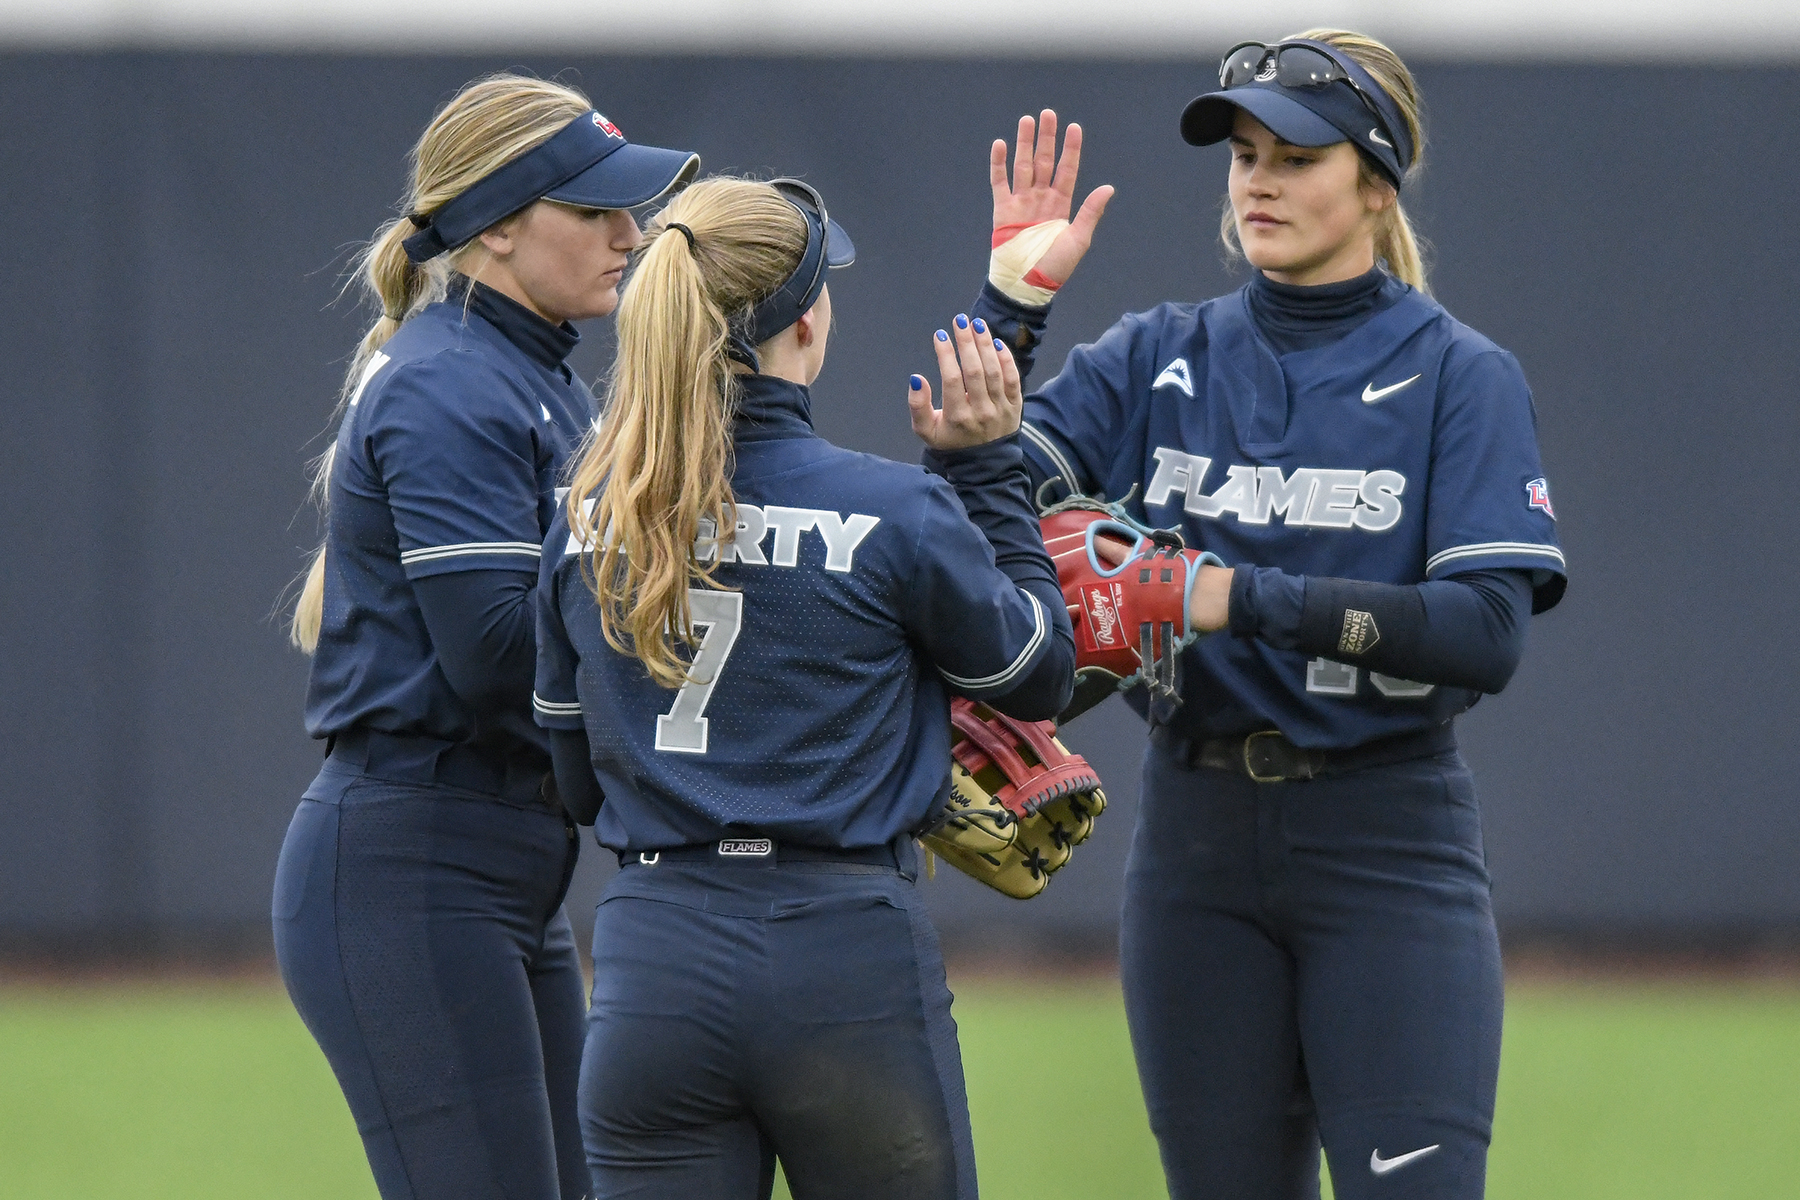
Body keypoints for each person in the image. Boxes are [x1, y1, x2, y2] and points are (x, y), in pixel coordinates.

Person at [981, 31, 1568, 1200]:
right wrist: (1005, 315)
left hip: (1388, 840)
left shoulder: (1460, 374)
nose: (1259, 179)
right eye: (1244, 153)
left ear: (1375, 175)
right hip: (1196, 845)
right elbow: (964, 487)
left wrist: (1234, 598)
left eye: (1297, 153)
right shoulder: (1159, 356)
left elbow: (1484, 632)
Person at [531, 174, 1079, 1199]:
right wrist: (992, 468)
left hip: (656, 957)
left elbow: (576, 779)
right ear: (806, 323)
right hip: (843, 953)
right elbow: (1035, 671)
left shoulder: (589, 512)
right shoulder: (895, 510)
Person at [272, 74, 698, 1200]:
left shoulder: (528, 373)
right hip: (413, 866)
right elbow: (502, 658)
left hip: (493, 862)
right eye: (593, 210)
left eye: (628, 208)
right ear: (499, 226)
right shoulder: (452, 380)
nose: (629, 233)